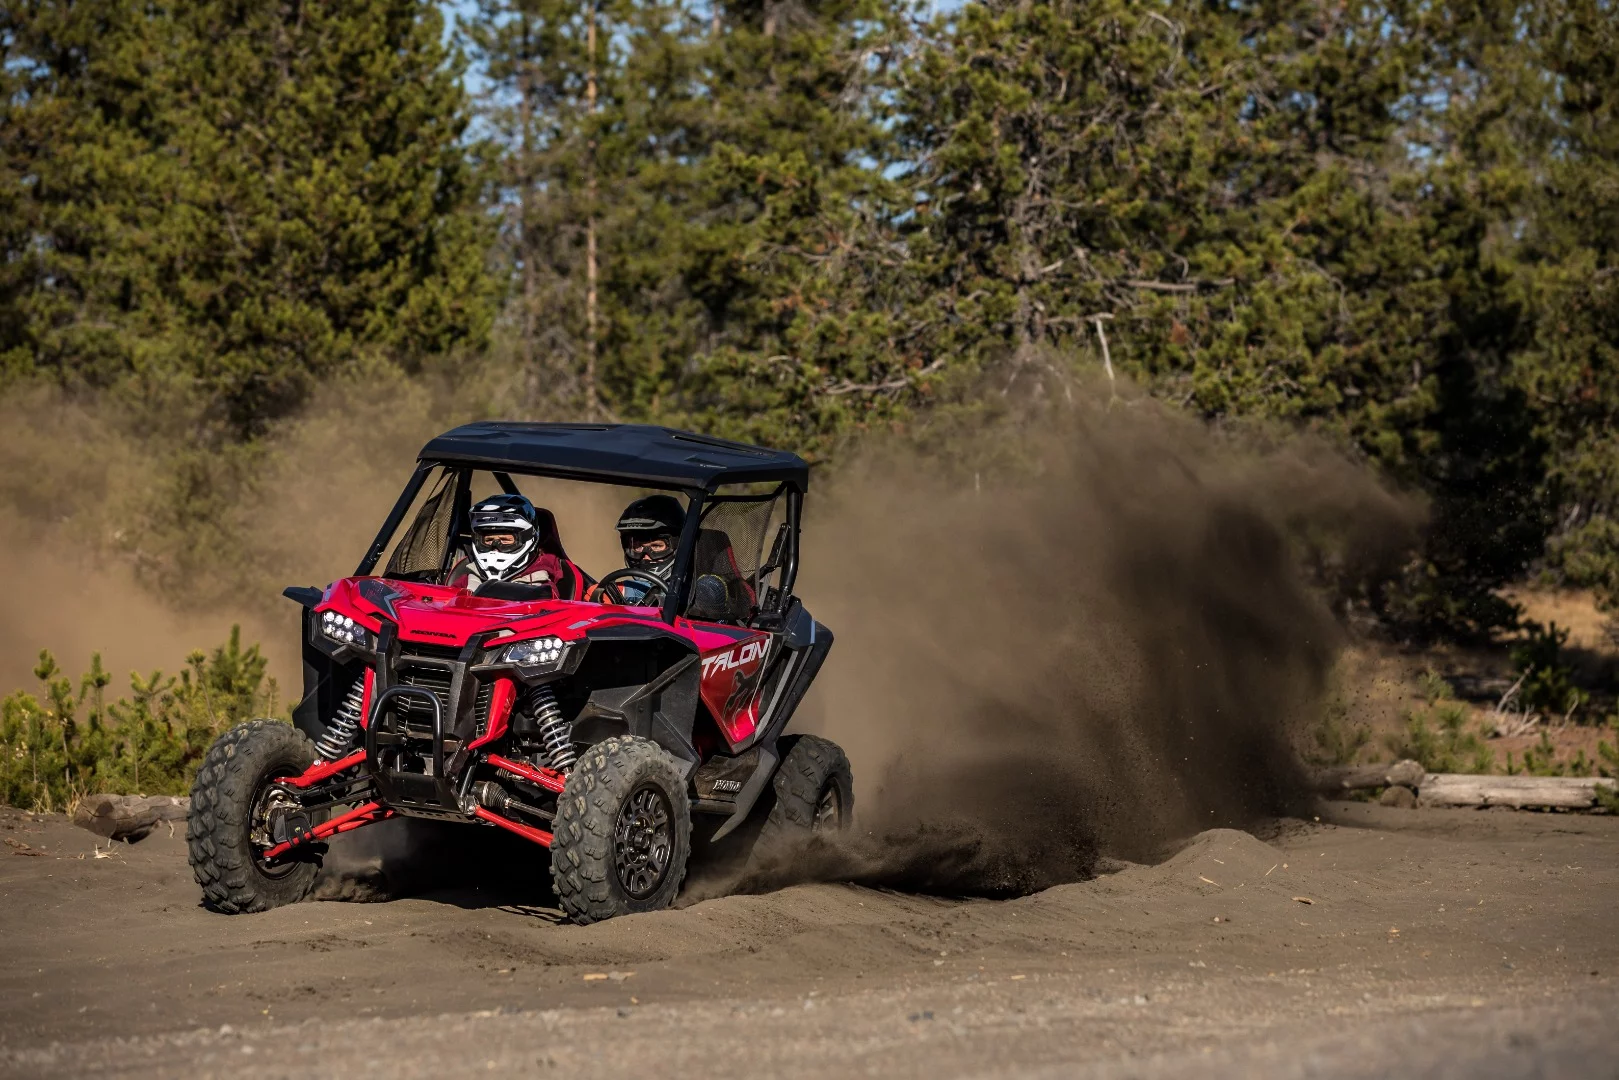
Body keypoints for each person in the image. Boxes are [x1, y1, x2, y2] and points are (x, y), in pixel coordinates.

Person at [448, 493, 587, 599]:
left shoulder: (543, 584)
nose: (496, 547)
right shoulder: (466, 578)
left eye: (505, 540)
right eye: (489, 540)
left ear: (527, 538)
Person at [587, 494, 685, 604]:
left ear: (678, 546)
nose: (646, 557)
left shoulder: (695, 586)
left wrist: (622, 591)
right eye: (638, 547)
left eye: (656, 546)